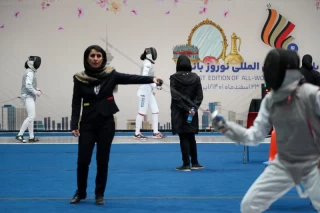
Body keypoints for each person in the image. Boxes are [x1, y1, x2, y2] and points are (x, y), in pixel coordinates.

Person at [212, 48, 320, 213]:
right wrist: (226, 128)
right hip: (284, 164)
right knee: (249, 205)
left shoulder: (312, 95)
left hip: (314, 164)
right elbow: (254, 136)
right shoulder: (270, 101)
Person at [70, 45, 163, 205]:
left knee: (102, 160)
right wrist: (74, 123)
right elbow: (76, 102)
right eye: (92, 55)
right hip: (87, 124)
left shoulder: (110, 75)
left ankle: (99, 194)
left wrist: (151, 79)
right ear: (87, 58)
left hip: (106, 123)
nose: (95, 58)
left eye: (99, 55)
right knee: (83, 160)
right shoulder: (80, 78)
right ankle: (81, 192)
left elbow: (131, 78)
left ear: (103, 58)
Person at [170, 55, 204, 171]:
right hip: (192, 112)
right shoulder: (196, 77)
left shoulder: (174, 78)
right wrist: (193, 109)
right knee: (191, 136)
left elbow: (175, 97)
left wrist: (186, 109)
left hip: (179, 112)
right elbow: (200, 96)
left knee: (183, 137)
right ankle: (195, 163)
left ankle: (186, 164)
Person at [134, 47, 166, 140]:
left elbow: (149, 79)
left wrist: (156, 85)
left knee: (155, 110)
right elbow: (144, 77)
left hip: (148, 91)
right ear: (150, 54)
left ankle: (155, 132)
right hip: (144, 91)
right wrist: (154, 83)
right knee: (141, 112)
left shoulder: (148, 63)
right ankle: (137, 133)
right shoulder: (147, 63)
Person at [15, 56, 42, 143]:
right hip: (28, 96)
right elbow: (28, 86)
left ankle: (31, 137)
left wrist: (36, 89)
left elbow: (30, 85)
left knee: (31, 117)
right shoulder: (30, 72)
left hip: (29, 95)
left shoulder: (30, 72)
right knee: (31, 116)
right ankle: (20, 134)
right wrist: (36, 92)